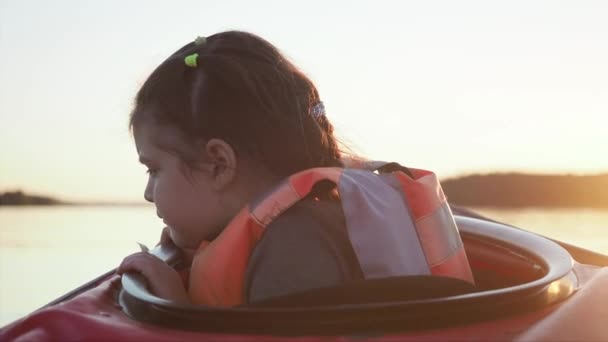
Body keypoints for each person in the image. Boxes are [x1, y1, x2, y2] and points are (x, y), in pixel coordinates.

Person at [117, 31, 473, 307]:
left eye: (154, 169)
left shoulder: (292, 249)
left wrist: (173, 312)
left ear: (219, 165)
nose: (149, 193)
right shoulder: (319, 215)